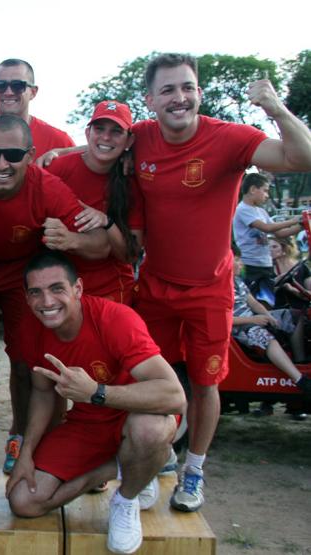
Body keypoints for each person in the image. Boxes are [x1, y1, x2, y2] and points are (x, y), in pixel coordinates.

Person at [130, 53, 311, 512]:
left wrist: (275, 108)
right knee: (157, 380)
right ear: (150, 100)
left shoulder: (228, 138)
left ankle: (194, 470)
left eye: (187, 87)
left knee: (207, 385)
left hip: (210, 288)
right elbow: (99, 149)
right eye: (168, 89)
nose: (180, 97)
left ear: (200, 93)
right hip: (154, 286)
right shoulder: (141, 137)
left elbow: (302, 156)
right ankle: (157, 460)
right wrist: (59, 153)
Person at [0, 114, 110, 474]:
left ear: (30, 155)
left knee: (28, 363)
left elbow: (103, 245)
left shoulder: (48, 188)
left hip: (20, 276)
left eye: (12, 155)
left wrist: (73, 240)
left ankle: (23, 441)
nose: (1, 164)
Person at [6, 251, 186, 555]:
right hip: (88, 423)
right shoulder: (30, 328)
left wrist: (97, 393)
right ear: (26, 297)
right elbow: (43, 393)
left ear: (78, 289)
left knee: (150, 431)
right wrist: (26, 451)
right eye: (36, 292)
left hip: (135, 416)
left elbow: (174, 396)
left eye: (57, 288)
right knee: (23, 500)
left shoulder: (115, 318)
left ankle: (126, 499)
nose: (47, 301)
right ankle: (121, 468)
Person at [46, 100, 143, 305]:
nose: (106, 137)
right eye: (99, 128)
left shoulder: (131, 182)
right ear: (88, 133)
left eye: (116, 131)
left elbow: (130, 255)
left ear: (129, 141)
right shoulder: (58, 169)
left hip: (111, 287)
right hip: (60, 285)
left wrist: (106, 222)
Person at [232, 247, 311, 394]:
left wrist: (267, 315)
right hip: (240, 327)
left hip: (252, 318)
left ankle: (300, 361)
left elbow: (254, 303)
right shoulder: (220, 288)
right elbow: (222, 320)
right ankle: (299, 379)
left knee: (296, 315)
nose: (241, 263)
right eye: (236, 260)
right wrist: (254, 320)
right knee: (266, 338)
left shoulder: (238, 282)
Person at [0, 59, 75, 161]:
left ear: (33, 92)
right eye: (0, 85)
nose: (8, 92)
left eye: (17, 85)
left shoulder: (58, 141)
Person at [233, 173, 301, 291]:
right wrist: (292, 220)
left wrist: (302, 225)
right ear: (253, 189)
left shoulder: (261, 211)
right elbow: (266, 228)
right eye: (265, 191)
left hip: (265, 262)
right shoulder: (243, 209)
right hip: (250, 264)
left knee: (268, 300)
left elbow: (279, 233)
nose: (267, 195)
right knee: (258, 301)